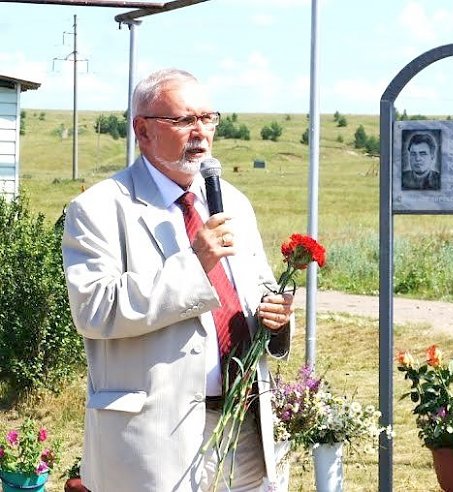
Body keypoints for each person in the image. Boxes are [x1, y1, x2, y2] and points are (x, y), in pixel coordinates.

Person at [61, 68, 294, 492]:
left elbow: (255, 288)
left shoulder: (234, 203)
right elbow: (95, 310)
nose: (200, 133)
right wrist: (195, 263)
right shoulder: (98, 209)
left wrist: (273, 315)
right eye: (184, 120)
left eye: (208, 118)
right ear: (143, 131)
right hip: (154, 437)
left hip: (244, 429)